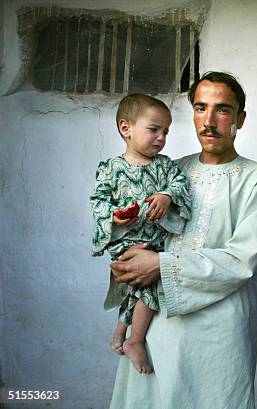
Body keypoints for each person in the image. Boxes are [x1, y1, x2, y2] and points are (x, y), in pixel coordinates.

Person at [108, 72, 257, 409]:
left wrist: (160, 265)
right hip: (159, 322)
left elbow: (242, 260)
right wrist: (128, 251)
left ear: (240, 119)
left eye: (222, 110)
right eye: (201, 108)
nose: (209, 121)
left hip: (222, 330)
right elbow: (137, 226)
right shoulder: (169, 171)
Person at [90, 94, 191, 374]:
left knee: (143, 286)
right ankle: (134, 340)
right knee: (142, 286)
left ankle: (120, 334)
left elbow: (180, 182)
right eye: (154, 129)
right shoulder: (110, 169)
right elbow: (98, 200)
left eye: (166, 132)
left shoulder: (164, 166)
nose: (161, 138)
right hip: (125, 241)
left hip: (155, 242)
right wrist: (114, 214)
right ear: (126, 128)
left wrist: (166, 195)